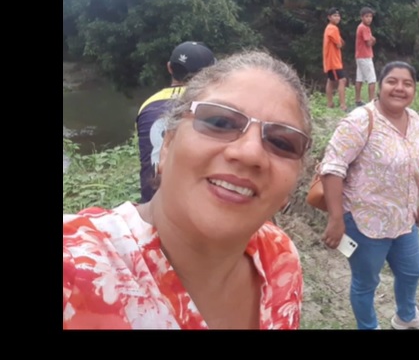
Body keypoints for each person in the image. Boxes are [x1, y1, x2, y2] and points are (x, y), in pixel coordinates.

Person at [63, 50, 312, 329]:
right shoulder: (76, 269)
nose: (250, 153)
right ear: (167, 144)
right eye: (220, 122)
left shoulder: (280, 259)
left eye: (281, 143)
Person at [319, 61, 419, 330]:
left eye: (407, 84)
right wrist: (336, 219)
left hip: (404, 218)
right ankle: (368, 326)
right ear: (380, 85)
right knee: (366, 282)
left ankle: (406, 316)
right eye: (392, 81)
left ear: (414, 90)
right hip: (365, 221)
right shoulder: (361, 120)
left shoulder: (415, 120)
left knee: (412, 270)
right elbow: (332, 167)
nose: (400, 88)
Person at [136, 41, 216, 203]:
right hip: (192, 205)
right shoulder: (210, 105)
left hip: (150, 202)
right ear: (209, 74)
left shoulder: (147, 105)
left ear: (169, 68)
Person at [322, 7, 347, 111]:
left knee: (331, 80)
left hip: (330, 60)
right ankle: (343, 106)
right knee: (342, 80)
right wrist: (340, 42)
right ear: (329, 17)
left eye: (338, 15)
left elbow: (340, 42)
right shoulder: (333, 29)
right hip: (334, 61)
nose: (337, 18)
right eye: (335, 16)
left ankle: (330, 104)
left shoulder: (329, 28)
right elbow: (339, 44)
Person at [354, 7, 377, 107]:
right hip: (365, 56)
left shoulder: (361, 27)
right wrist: (374, 40)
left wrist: (372, 39)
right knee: (372, 79)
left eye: (370, 16)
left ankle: (358, 99)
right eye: (366, 16)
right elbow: (369, 43)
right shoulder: (364, 28)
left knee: (359, 78)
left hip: (359, 56)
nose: (369, 19)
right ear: (361, 17)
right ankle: (372, 101)